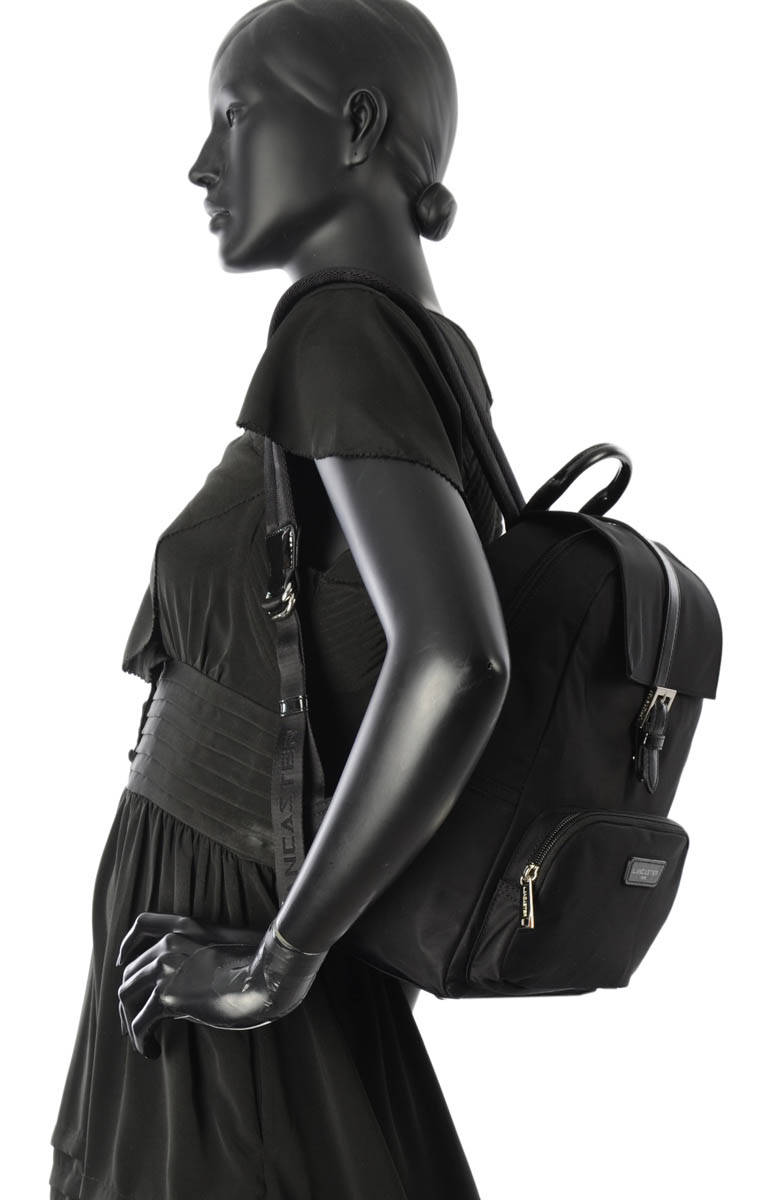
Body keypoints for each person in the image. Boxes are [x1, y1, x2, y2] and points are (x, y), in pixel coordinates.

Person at [48, 1, 511, 1198]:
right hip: (233, 929)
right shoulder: (420, 349)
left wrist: (271, 967)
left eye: (237, 117)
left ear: (354, 128)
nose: (201, 164)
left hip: (227, 943)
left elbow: (456, 658)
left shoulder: (341, 333)